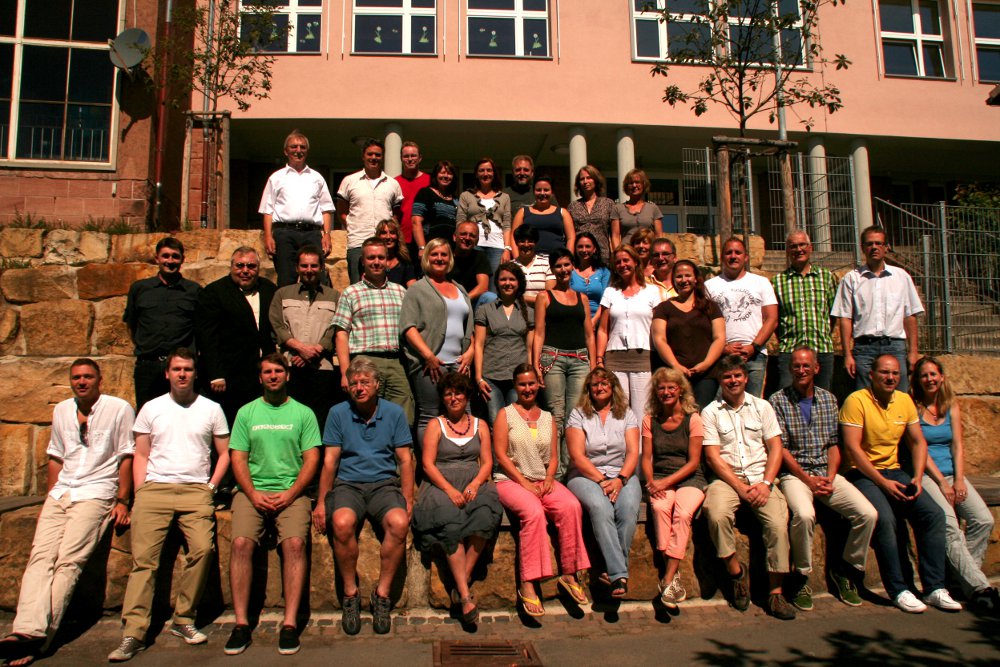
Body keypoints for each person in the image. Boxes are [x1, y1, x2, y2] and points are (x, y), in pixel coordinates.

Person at [0, 360, 133, 667]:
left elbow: (126, 454)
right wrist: (50, 496)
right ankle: (25, 631)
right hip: (62, 492)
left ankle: (38, 637)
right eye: (76, 377)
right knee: (40, 558)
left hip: (96, 492)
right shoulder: (61, 410)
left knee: (69, 562)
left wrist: (123, 500)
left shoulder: (118, 409)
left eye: (87, 377)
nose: (81, 382)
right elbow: (56, 456)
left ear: (100, 379)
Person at [109, 349, 230, 662]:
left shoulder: (211, 409)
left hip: (196, 491)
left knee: (202, 550)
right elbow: (141, 453)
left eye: (187, 369)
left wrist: (211, 487)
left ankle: (183, 618)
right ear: (167, 374)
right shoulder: (151, 408)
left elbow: (225, 453)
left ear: (195, 373)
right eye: (177, 369)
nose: (182, 374)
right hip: (155, 490)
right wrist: (141, 491)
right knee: (144, 562)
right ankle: (134, 632)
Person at [839, 354, 958, 613]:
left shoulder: (904, 400)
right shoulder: (856, 401)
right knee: (885, 520)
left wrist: (917, 477)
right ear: (871, 375)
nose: (890, 377)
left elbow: (918, 441)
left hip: (895, 471)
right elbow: (853, 450)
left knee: (933, 515)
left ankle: (934, 587)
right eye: (884, 372)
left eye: (895, 373)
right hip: (862, 473)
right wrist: (883, 483)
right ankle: (899, 589)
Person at [224, 354, 320, 656]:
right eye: (267, 372)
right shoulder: (246, 413)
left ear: (288, 375)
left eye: (279, 371)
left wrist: (291, 493)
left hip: (292, 492)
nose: (273, 376)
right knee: (241, 543)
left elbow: (312, 459)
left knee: (294, 544)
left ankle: (289, 624)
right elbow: (238, 458)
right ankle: (241, 623)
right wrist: (252, 494)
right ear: (260, 377)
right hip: (252, 491)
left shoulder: (303, 413)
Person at [770, 347, 877, 611]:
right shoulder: (778, 400)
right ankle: (801, 575)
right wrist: (807, 479)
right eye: (796, 366)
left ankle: (845, 568)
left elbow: (833, 444)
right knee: (804, 515)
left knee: (867, 514)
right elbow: (781, 449)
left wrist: (830, 476)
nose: (801, 370)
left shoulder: (829, 399)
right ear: (790, 369)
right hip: (795, 475)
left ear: (816, 368)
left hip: (825, 473)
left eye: (806, 366)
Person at [313, 358, 415, 636]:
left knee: (399, 522)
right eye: (354, 383)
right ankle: (350, 593)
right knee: (342, 522)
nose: (359, 388)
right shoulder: (338, 413)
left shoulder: (394, 413)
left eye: (365, 382)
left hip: (384, 485)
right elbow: (330, 462)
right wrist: (321, 502)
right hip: (349, 485)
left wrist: (408, 499)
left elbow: (405, 460)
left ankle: (382, 595)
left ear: (377, 385)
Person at [701, 354, 796, 620]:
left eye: (737, 376)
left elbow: (775, 448)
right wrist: (739, 487)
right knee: (717, 515)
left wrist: (765, 483)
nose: (733, 380)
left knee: (777, 524)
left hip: (760, 477)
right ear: (720, 380)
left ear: (745, 378)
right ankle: (736, 573)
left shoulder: (762, 407)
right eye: (727, 377)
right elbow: (713, 457)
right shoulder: (710, 412)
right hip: (727, 480)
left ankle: (775, 593)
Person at [494, 364, 590, 617]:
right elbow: (501, 455)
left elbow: (554, 457)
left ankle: (569, 573)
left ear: (538, 385)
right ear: (515, 386)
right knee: (534, 513)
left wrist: (549, 478)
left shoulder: (547, 417)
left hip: (542, 479)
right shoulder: (506, 414)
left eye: (531, 383)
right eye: (522, 384)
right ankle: (528, 582)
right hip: (510, 480)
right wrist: (523, 482)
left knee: (571, 506)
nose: (527, 388)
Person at [412, 373, 502, 625]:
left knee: (484, 515)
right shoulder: (435, 425)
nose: (453, 398)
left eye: (458, 393)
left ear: (467, 396)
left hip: (473, 479)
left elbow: (487, 462)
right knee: (450, 522)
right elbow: (428, 464)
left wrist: (475, 483)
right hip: (441, 482)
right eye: (448, 394)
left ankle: (462, 579)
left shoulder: (480, 425)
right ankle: (464, 594)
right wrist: (450, 490)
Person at [909, 356, 998, 611]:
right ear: (918, 380)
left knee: (984, 519)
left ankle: (961, 579)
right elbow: (920, 449)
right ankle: (980, 588)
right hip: (929, 476)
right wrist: (942, 483)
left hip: (952, 475)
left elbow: (957, 445)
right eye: (924, 375)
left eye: (933, 374)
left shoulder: (951, 405)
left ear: (942, 377)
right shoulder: (913, 408)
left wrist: (959, 480)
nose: (929, 379)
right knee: (950, 527)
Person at [565, 368, 641, 598]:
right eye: (595, 384)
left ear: (613, 386)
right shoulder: (578, 414)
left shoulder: (626, 414)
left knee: (628, 508)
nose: (599, 388)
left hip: (622, 473)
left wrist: (620, 479)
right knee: (601, 507)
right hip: (585, 474)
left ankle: (614, 572)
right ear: (588, 389)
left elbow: (633, 452)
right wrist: (602, 480)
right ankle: (619, 574)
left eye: (604, 383)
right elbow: (577, 456)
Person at [641, 367, 706, 609]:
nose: (666, 392)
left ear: (680, 390)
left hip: (690, 478)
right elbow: (646, 458)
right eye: (661, 388)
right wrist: (651, 482)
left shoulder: (693, 419)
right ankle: (673, 571)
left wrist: (665, 483)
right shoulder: (650, 420)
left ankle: (668, 577)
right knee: (660, 508)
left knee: (683, 513)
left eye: (671, 387)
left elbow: (693, 462)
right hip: (659, 477)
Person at [401, 238, 475, 446]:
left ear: (450, 258)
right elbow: (408, 327)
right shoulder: (417, 289)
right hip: (431, 364)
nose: (439, 258)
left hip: (459, 363)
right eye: (434, 254)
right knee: (429, 415)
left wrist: (470, 352)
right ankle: (429, 462)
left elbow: (468, 327)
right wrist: (428, 356)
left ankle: (463, 459)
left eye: (444, 254)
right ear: (427, 258)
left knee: (465, 413)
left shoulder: (460, 289)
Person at [833, 225, 924, 392]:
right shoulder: (851, 279)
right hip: (864, 349)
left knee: (899, 397)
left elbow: (909, 315)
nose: (874, 247)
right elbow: (845, 318)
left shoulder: (901, 277)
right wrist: (847, 355)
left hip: (895, 346)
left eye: (878, 243)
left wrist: (913, 352)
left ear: (886, 247)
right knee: (865, 398)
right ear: (862, 248)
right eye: (869, 244)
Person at [332, 237, 414, 422]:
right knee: (364, 418)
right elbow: (341, 334)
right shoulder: (351, 293)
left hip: (397, 363)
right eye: (371, 258)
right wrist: (345, 372)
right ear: (363, 261)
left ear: (387, 261)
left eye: (380, 257)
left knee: (403, 417)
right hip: (364, 362)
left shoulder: (401, 292)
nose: (376, 262)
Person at [196, 246, 277, 427]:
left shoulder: (269, 290)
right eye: (240, 266)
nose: (245, 271)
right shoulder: (214, 292)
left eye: (251, 266)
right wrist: (216, 374)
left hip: (260, 375)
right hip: (229, 375)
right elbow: (207, 337)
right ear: (231, 267)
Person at [532, 248, 597, 474]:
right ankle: (555, 473)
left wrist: (594, 365)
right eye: (558, 266)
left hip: (580, 359)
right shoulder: (544, 297)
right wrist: (536, 364)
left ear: (573, 267)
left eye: (566, 265)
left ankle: (570, 471)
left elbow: (589, 334)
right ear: (552, 269)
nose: (563, 270)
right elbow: (539, 333)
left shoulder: (582, 298)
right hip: (553, 359)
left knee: (575, 416)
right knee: (556, 415)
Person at [270, 245, 341, 436]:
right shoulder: (282, 294)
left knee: (319, 422)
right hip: (291, 367)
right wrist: (301, 349)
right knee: (291, 421)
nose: (309, 270)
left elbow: (335, 328)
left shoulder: (334, 296)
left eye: (314, 266)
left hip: (322, 368)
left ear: (321, 268)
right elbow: (277, 326)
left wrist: (314, 351)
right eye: (304, 266)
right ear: (297, 268)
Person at [123, 237, 200, 411]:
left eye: (175, 256)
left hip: (180, 367)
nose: (170, 261)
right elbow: (131, 324)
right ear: (156, 258)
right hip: (148, 365)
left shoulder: (194, 291)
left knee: (183, 413)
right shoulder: (140, 289)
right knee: (147, 414)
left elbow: (198, 328)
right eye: (165, 256)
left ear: (182, 259)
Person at [259, 130, 334, 287]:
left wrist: (327, 234)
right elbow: (268, 210)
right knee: (286, 279)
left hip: (312, 233)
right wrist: (268, 236)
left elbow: (326, 209)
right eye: (294, 147)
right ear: (286, 151)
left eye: (302, 147)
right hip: (284, 234)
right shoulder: (276, 178)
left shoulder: (317, 178)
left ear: (307, 151)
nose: (298, 151)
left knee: (317, 278)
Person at [705, 237, 778, 397]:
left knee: (753, 404)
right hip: (722, 356)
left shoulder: (761, 282)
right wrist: (723, 348)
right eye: (728, 253)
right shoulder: (709, 286)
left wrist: (753, 347)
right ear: (722, 257)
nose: (733, 256)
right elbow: (704, 323)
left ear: (746, 257)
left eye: (738, 252)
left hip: (754, 356)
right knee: (722, 405)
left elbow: (772, 319)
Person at [596, 244, 662, 420]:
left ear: (635, 262)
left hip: (643, 358)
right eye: (618, 262)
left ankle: (641, 440)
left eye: (626, 260)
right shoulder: (610, 292)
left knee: (642, 413)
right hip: (615, 358)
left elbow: (657, 329)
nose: (622, 265)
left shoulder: (652, 291)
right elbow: (603, 329)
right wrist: (599, 359)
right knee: (618, 413)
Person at [650, 259, 726, 408]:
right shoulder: (663, 308)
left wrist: (706, 364)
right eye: (679, 276)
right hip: (674, 376)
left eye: (688, 275)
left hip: (706, 375)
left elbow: (720, 337)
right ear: (673, 280)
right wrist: (675, 365)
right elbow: (659, 339)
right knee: (678, 415)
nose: (684, 280)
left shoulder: (711, 307)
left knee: (703, 414)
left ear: (696, 278)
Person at [771, 230, 839, 391]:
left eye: (802, 245)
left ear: (810, 247)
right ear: (787, 251)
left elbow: (833, 314)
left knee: (822, 397)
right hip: (790, 350)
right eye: (793, 246)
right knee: (787, 398)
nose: (798, 249)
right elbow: (775, 319)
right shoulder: (777, 282)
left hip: (821, 349)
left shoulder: (827, 278)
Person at [336, 138, 404, 284]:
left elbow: (396, 214)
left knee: (385, 284)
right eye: (370, 154)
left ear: (383, 157)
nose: (374, 158)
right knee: (357, 285)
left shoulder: (393, 184)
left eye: (378, 155)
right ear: (363, 156)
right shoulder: (349, 181)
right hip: (358, 242)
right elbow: (341, 211)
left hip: (384, 244)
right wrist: (352, 226)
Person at [474, 263, 534, 425]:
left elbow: (530, 348)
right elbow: (478, 345)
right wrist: (479, 378)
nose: (507, 283)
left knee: (516, 424)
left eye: (512, 279)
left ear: (519, 282)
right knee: (496, 423)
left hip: (518, 378)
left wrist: (530, 375)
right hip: (491, 377)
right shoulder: (485, 310)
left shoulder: (528, 312)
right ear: (497, 283)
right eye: (503, 279)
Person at [457, 157, 512, 282]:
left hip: (497, 246)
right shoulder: (466, 196)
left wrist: (507, 249)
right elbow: (460, 221)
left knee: (495, 284)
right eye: (481, 170)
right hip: (473, 245)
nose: (485, 174)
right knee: (473, 282)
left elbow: (507, 225)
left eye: (489, 170)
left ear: (494, 173)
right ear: (476, 174)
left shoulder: (504, 197)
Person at [510, 174, 574, 257]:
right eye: (538, 190)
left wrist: (568, 258)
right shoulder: (522, 212)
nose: (542, 193)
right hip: (529, 260)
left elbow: (571, 238)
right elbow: (513, 238)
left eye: (546, 190)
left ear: (552, 192)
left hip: (557, 260)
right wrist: (518, 259)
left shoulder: (563, 212)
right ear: (533, 192)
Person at [567, 165, 617, 263]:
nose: (585, 181)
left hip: (603, 256)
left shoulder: (608, 204)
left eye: (589, 178)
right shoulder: (573, 206)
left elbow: (614, 235)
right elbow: (569, 236)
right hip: (580, 257)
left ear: (596, 180)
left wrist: (615, 256)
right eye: (582, 179)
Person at [411, 160, 459, 253]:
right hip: (430, 247)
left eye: (449, 173)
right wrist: (422, 248)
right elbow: (416, 221)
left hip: (449, 249)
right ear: (436, 175)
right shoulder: (425, 193)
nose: (446, 176)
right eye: (442, 173)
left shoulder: (456, 200)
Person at [395, 140, 431, 258]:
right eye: (406, 156)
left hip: (425, 239)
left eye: (413, 156)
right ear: (401, 159)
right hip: (401, 240)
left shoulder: (430, 181)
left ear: (420, 158)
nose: (410, 159)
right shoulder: (394, 183)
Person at [569, 232, 611, 329]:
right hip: (575, 321)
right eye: (580, 246)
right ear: (575, 249)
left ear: (594, 249)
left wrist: (594, 320)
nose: (584, 250)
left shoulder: (604, 272)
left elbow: (606, 300)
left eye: (588, 246)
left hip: (599, 321)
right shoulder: (570, 271)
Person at [612, 169, 663, 248]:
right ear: (626, 186)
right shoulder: (617, 208)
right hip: (626, 251)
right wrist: (618, 252)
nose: (634, 185)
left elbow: (659, 236)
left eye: (637, 182)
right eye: (631, 183)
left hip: (647, 251)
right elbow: (615, 236)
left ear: (643, 184)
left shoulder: (653, 208)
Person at [448, 221, 493, 306]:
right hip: (446, 300)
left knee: (490, 297)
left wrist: (464, 300)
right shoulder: (445, 255)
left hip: (470, 300)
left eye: (472, 236)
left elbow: (483, 287)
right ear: (454, 237)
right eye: (463, 234)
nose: (467, 238)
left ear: (477, 240)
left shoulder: (480, 256)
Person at [511, 224, 553, 308]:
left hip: (542, 311)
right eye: (522, 241)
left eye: (530, 241)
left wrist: (520, 298)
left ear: (535, 243)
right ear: (516, 243)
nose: (526, 245)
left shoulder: (547, 264)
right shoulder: (510, 267)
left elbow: (549, 297)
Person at [376, 218, 418, 287]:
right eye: (384, 233)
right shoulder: (370, 261)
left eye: (392, 233)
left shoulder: (405, 262)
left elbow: (413, 288)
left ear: (398, 236)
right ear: (378, 236)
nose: (388, 237)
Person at [647, 237, 678, 301]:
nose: (660, 258)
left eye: (665, 254)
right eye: (656, 255)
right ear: (651, 259)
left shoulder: (683, 282)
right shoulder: (644, 284)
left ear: (675, 257)